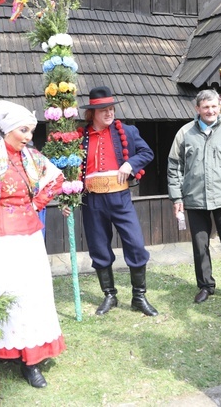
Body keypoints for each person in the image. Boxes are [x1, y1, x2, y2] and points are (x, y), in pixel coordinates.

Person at [0, 101, 66, 388]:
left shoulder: (32, 157)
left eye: (31, 131)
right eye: (24, 131)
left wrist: (37, 202)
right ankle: (4, 350)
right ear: (7, 130)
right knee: (2, 292)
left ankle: (31, 360)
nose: (29, 137)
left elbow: (57, 178)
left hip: (28, 235)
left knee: (32, 293)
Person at [167, 89, 221, 305]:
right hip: (195, 198)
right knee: (200, 245)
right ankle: (205, 285)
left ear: (219, 107)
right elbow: (174, 166)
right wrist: (177, 198)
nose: (210, 111)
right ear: (197, 109)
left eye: (214, 106)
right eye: (206, 107)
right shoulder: (184, 133)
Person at [77, 86, 158, 317]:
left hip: (120, 197)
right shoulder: (80, 137)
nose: (109, 113)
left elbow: (147, 153)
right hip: (92, 200)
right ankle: (109, 295)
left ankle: (139, 297)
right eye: (103, 110)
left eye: (111, 109)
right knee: (99, 247)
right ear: (92, 113)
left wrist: (129, 164)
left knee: (135, 243)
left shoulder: (127, 131)